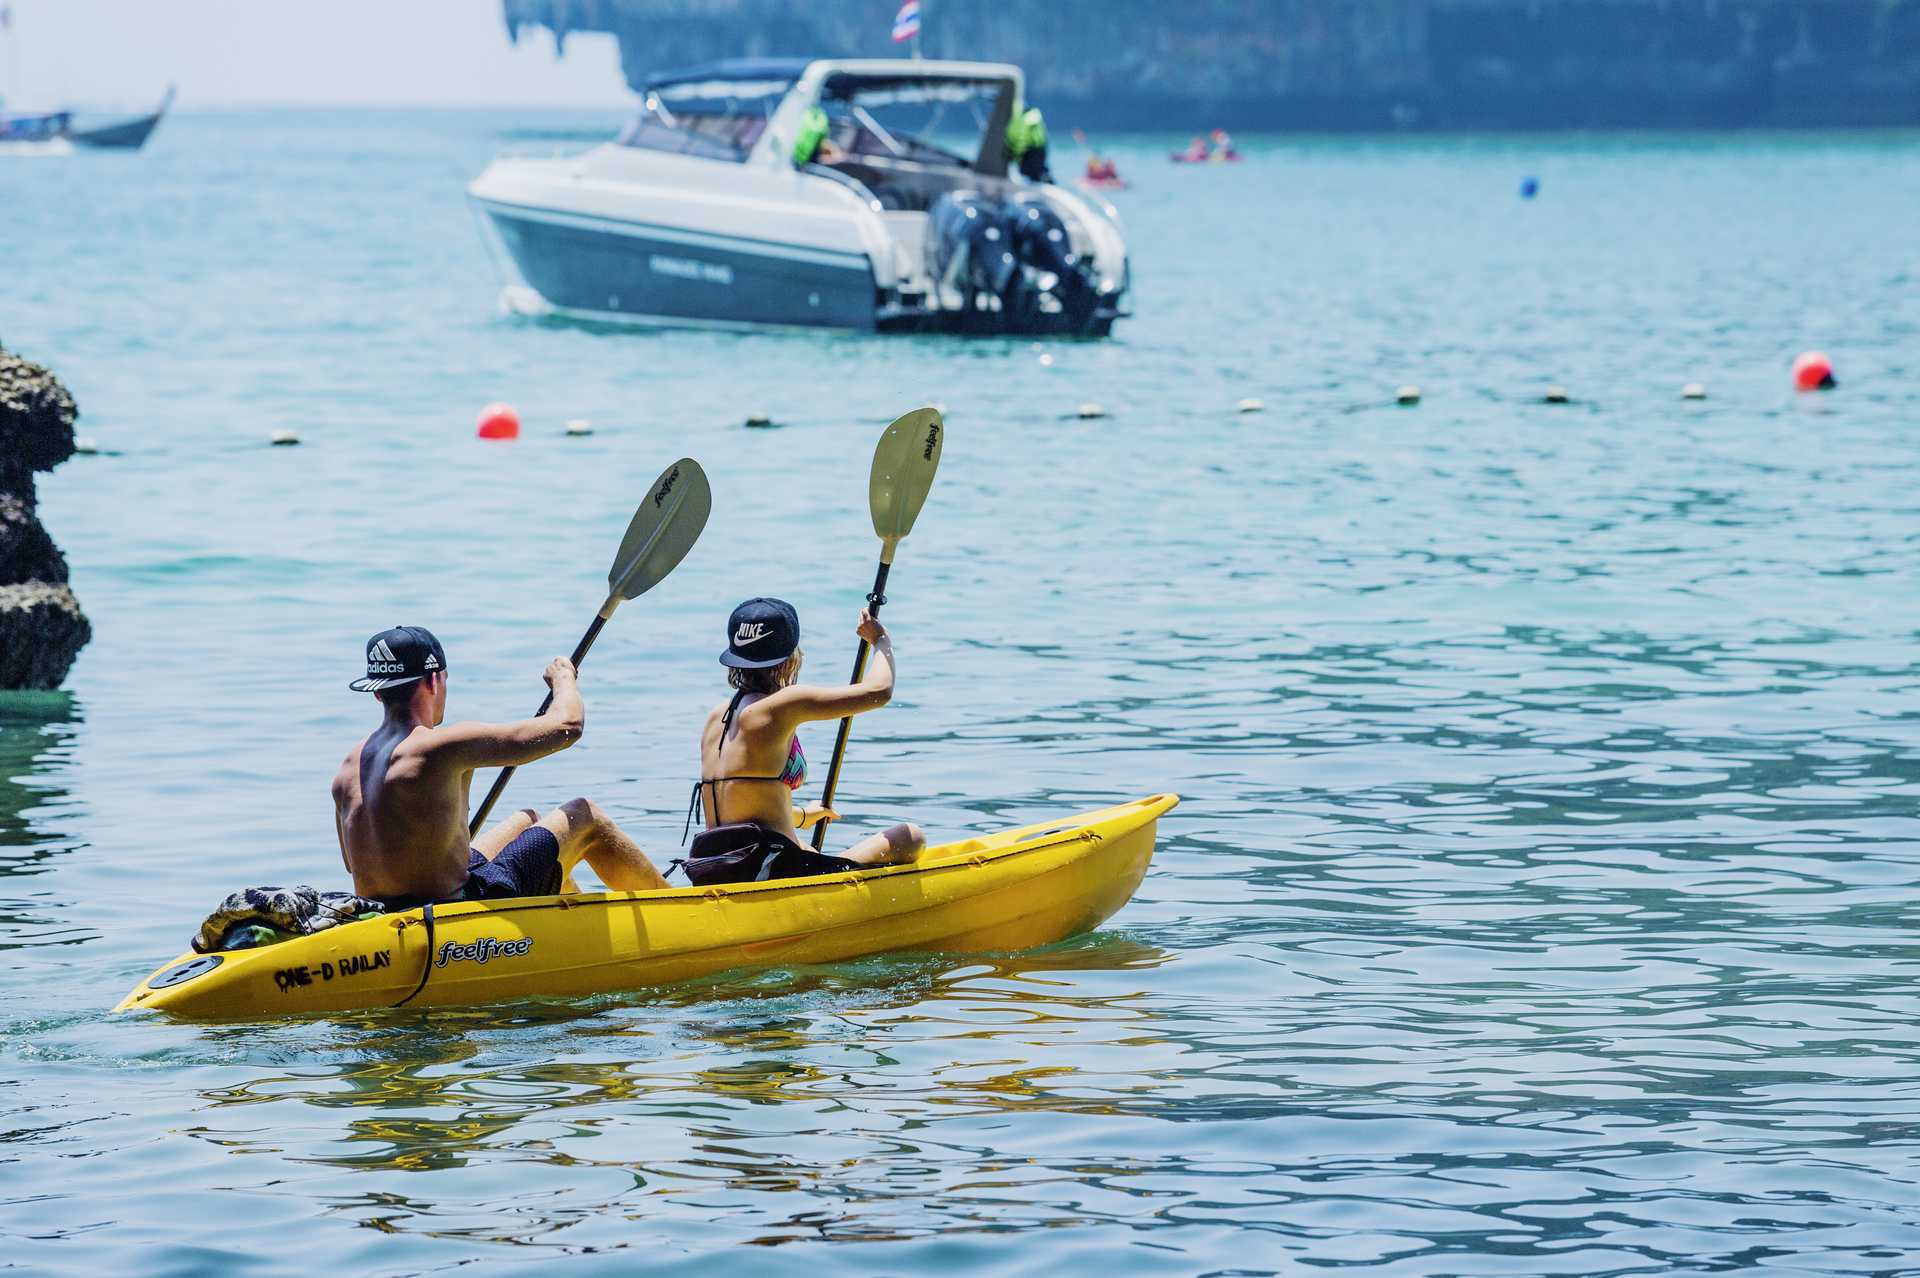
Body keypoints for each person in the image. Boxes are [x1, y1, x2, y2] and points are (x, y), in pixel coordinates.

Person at [332, 625, 668, 910]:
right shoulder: (440, 745)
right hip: (451, 913)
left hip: (383, 914)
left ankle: (565, 929)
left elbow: (353, 864)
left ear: (378, 694)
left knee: (527, 822)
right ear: (433, 681)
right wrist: (564, 679)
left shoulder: (349, 767)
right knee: (584, 817)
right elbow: (568, 726)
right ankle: (677, 911)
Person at [685, 598, 924, 883]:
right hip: (769, 871)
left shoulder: (717, 717)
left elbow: (742, 803)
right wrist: (881, 641)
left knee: (805, 845)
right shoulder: (784, 703)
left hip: (716, 870)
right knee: (911, 836)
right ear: (790, 657)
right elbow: (879, 692)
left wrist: (803, 816)